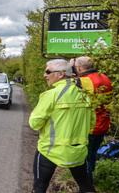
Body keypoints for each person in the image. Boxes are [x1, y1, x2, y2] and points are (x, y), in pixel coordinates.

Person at [29, 59, 96, 193]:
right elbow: (91, 124)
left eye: (48, 71)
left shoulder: (51, 94)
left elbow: (34, 124)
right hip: (77, 152)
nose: (45, 75)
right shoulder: (84, 94)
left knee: (39, 187)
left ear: (61, 74)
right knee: (86, 187)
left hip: (50, 150)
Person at [74, 56, 113, 182]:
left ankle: (87, 186)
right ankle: (90, 179)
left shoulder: (84, 81)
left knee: (84, 159)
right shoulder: (105, 78)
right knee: (92, 156)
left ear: (79, 67)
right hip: (103, 124)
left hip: (89, 126)